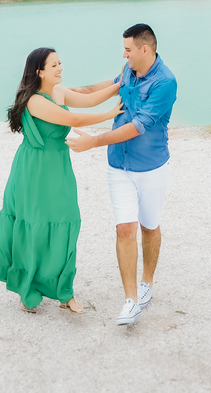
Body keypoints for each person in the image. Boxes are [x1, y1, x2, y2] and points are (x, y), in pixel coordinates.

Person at [0, 47, 123, 313]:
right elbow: (73, 118)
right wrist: (110, 115)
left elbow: (89, 99)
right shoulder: (35, 101)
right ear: (39, 72)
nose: (60, 68)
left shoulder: (59, 92)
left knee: (68, 220)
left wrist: (121, 83)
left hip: (58, 166)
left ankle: (65, 291)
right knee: (33, 226)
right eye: (54, 65)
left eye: (59, 63)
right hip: (34, 169)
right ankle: (28, 289)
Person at [66, 23, 177, 326]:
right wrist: (62, 92)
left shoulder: (165, 83)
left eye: (128, 50)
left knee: (149, 226)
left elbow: (137, 126)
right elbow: (104, 88)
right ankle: (130, 301)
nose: (124, 54)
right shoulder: (128, 70)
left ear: (145, 49)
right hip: (118, 166)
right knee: (124, 229)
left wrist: (93, 141)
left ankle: (147, 282)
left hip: (152, 167)